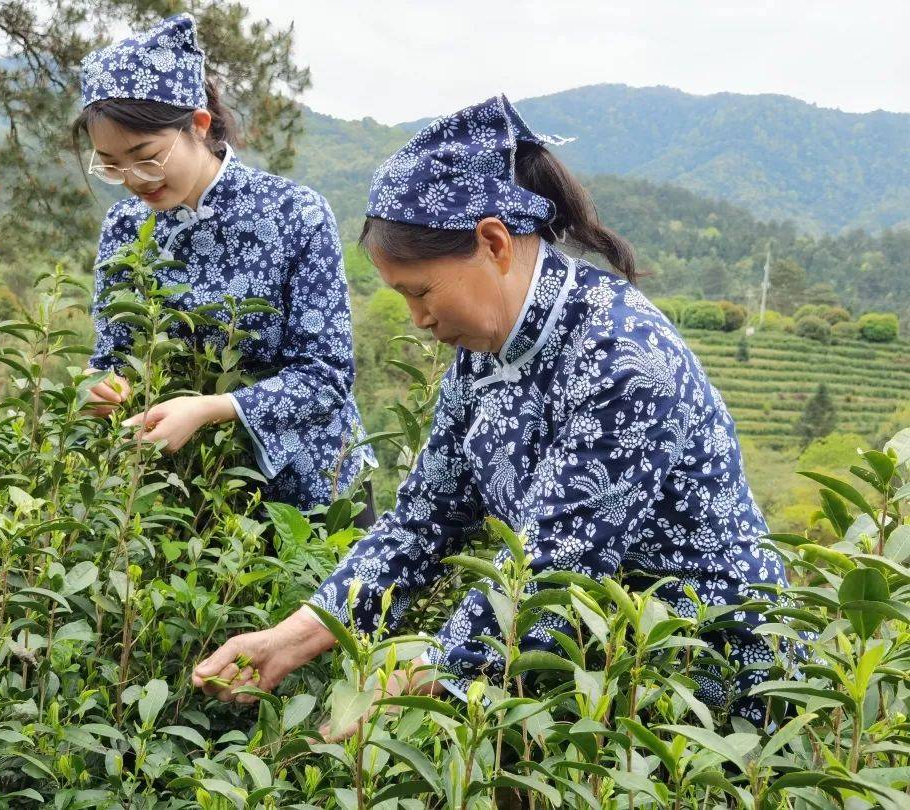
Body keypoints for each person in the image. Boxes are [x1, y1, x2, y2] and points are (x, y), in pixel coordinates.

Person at [192, 94, 789, 726]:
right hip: (593, 678)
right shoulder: (484, 355)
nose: (418, 320)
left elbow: (555, 563)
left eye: (422, 292)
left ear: (494, 243)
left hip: (708, 685)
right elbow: (419, 526)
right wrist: (286, 641)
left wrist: (431, 671)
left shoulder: (625, 358)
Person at [75, 14, 376, 511]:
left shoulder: (293, 213)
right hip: (183, 493)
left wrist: (214, 409)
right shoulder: (127, 227)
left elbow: (326, 375)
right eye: (110, 164)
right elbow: (113, 354)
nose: (131, 178)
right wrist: (101, 387)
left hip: (313, 487)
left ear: (199, 124)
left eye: (145, 155)